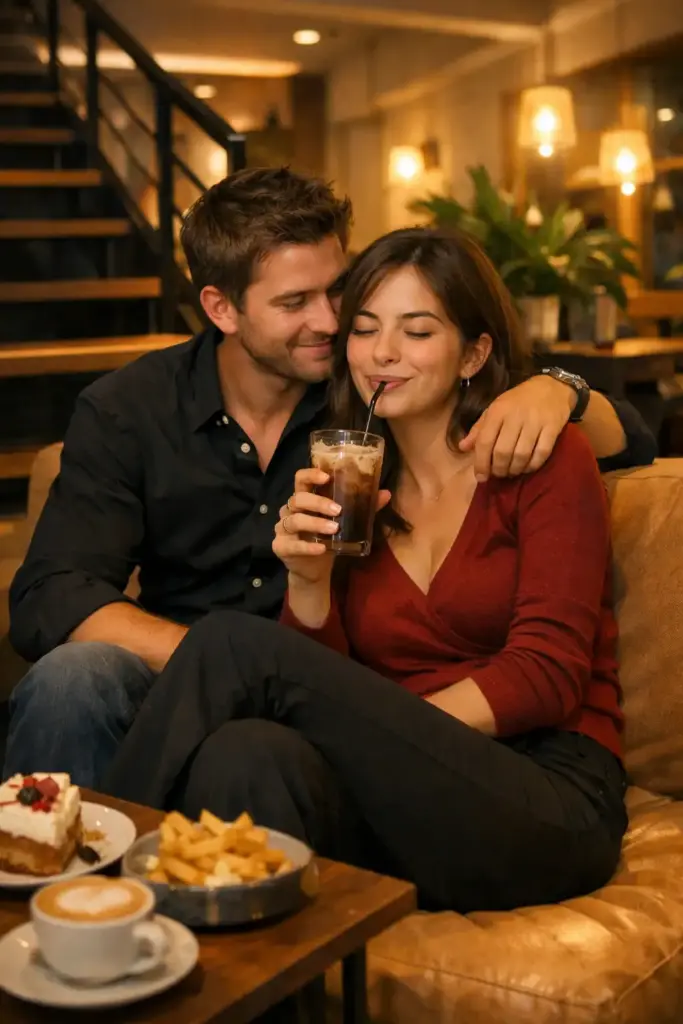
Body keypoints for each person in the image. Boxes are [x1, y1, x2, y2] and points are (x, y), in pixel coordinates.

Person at [5, 168, 654, 789]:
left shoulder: (383, 392)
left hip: (325, 711)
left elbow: (621, 436)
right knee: (72, 678)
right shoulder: (133, 410)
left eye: (337, 291)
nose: (329, 321)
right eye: (294, 302)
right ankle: (58, 888)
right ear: (220, 308)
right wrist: (225, 664)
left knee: (259, 756)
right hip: (185, 681)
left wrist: (557, 389)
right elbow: (50, 596)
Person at [104, 227, 628, 913]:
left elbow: (547, 676)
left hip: (544, 798)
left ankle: (96, 878)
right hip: (408, 799)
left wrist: (386, 726)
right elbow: (336, 669)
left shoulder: (543, 461)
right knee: (244, 754)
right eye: (365, 329)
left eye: (416, 332)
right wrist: (309, 582)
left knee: (231, 639)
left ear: (472, 352)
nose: (382, 353)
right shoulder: (355, 482)